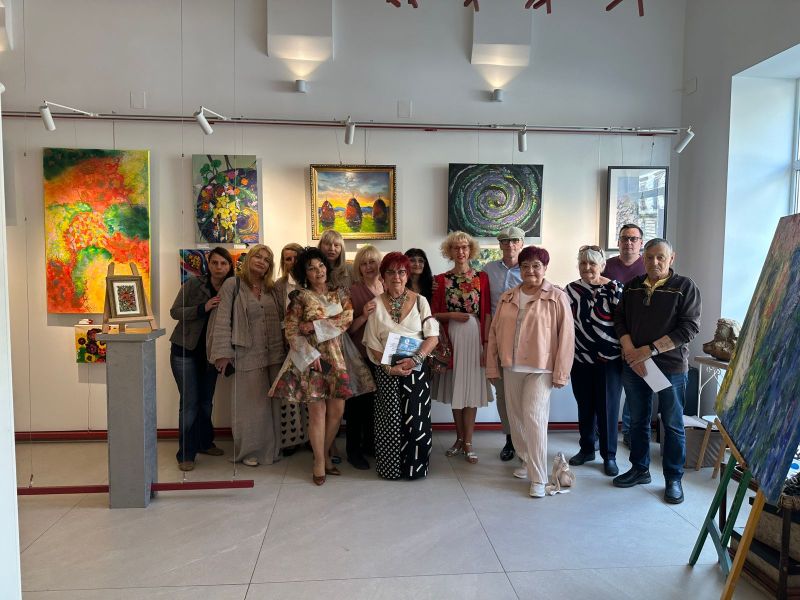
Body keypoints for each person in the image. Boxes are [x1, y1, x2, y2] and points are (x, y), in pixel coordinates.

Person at [612, 238, 701, 505]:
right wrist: (630, 350)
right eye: (649, 257)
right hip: (636, 365)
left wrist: (649, 350)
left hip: (670, 367)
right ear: (643, 258)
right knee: (637, 420)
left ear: (671, 258)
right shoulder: (632, 287)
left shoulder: (685, 287)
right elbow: (619, 319)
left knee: (672, 424)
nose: (655, 262)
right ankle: (639, 469)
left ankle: (673, 479)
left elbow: (689, 328)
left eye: (660, 257)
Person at [486, 246, 575, 498]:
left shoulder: (557, 297)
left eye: (536, 266)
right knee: (516, 421)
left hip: (541, 368)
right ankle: (526, 459)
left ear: (545, 268)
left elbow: (567, 337)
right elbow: (494, 334)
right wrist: (492, 366)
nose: (530, 271)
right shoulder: (508, 297)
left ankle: (539, 477)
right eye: (525, 266)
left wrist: (561, 372)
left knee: (534, 419)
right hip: (511, 367)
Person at [269, 247, 354, 485]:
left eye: (321, 266)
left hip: (336, 358)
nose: (318, 271)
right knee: (317, 413)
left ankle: (324, 453)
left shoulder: (339, 294)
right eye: (311, 268)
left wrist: (315, 325)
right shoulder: (300, 297)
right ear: (304, 273)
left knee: (337, 411)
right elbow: (292, 330)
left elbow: (347, 319)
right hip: (313, 359)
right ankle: (319, 461)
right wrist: (309, 353)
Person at [363, 252, 440, 479]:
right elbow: (372, 342)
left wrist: (416, 359)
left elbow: (432, 337)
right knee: (390, 422)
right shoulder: (375, 304)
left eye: (401, 272)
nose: (396, 276)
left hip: (416, 368)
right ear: (383, 277)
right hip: (386, 369)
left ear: (407, 275)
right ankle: (390, 470)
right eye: (390, 272)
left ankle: (415, 468)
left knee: (417, 420)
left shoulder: (421, 301)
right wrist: (389, 367)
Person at [209, 245, 285, 467]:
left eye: (267, 259)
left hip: (273, 354)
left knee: (272, 406)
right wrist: (223, 354)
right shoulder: (233, 285)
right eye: (258, 256)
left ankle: (271, 449)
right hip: (245, 354)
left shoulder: (271, 289)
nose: (262, 261)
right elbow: (222, 320)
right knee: (249, 407)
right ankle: (249, 451)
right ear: (249, 258)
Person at [169, 247, 234, 471]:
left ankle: (205, 443)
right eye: (215, 263)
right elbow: (175, 312)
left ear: (230, 266)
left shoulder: (233, 288)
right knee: (189, 404)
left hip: (211, 355)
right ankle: (186, 454)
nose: (219, 267)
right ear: (209, 264)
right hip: (185, 351)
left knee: (206, 402)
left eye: (223, 263)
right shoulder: (194, 284)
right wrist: (201, 308)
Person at [431, 231, 492, 464]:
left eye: (465, 247)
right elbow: (433, 314)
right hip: (452, 337)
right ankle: (458, 439)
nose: (461, 251)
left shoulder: (481, 277)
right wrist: (452, 315)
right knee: (457, 388)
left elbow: (486, 313)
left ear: (471, 250)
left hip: (474, 336)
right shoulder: (441, 280)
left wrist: (486, 344)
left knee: (471, 389)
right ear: (449, 251)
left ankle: (468, 442)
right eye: (456, 247)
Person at [565, 245, 623, 477]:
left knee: (608, 408)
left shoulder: (615, 288)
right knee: (585, 406)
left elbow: (623, 324)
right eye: (583, 263)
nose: (587, 267)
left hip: (609, 359)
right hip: (580, 358)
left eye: (592, 263)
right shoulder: (571, 290)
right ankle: (587, 449)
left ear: (602, 265)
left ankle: (609, 456)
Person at [602, 223, 647, 447]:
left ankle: (629, 432)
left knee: (635, 389)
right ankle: (603, 432)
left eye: (633, 238)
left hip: (638, 337)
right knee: (609, 389)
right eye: (624, 238)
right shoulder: (607, 266)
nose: (628, 242)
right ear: (618, 242)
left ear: (641, 243)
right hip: (609, 336)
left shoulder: (648, 265)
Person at [482, 226, 524, 461]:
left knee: (523, 392)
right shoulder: (488, 269)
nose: (510, 245)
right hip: (497, 337)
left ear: (522, 243)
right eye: (505, 241)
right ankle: (509, 439)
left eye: (514, 240)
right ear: (500, 245)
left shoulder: (529, 268)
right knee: (502, 393)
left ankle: (524, 438)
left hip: (523, 339)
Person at [345, 245, 383, 470]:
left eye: (372, 262)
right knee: (356, 407)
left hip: (382, 356)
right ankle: (353, 451)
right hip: (359, 355)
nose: (369, 267)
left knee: (374, 405)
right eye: (364, 263)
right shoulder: (353, 291)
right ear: (358, 268)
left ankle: (370, 445)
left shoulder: (387, 286)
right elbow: (346, 329)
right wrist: (363, 316)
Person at [273, 242, 309, 456]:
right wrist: (287, 335)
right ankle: (293, 438)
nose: (292, 262)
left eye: (296, 258)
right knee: (290, 392)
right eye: (288, 259)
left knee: (310, 391)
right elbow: (278, 316)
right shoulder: (279, 285)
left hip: (311, 344)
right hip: (287, 343)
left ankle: (311, 437)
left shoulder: (311, 281)